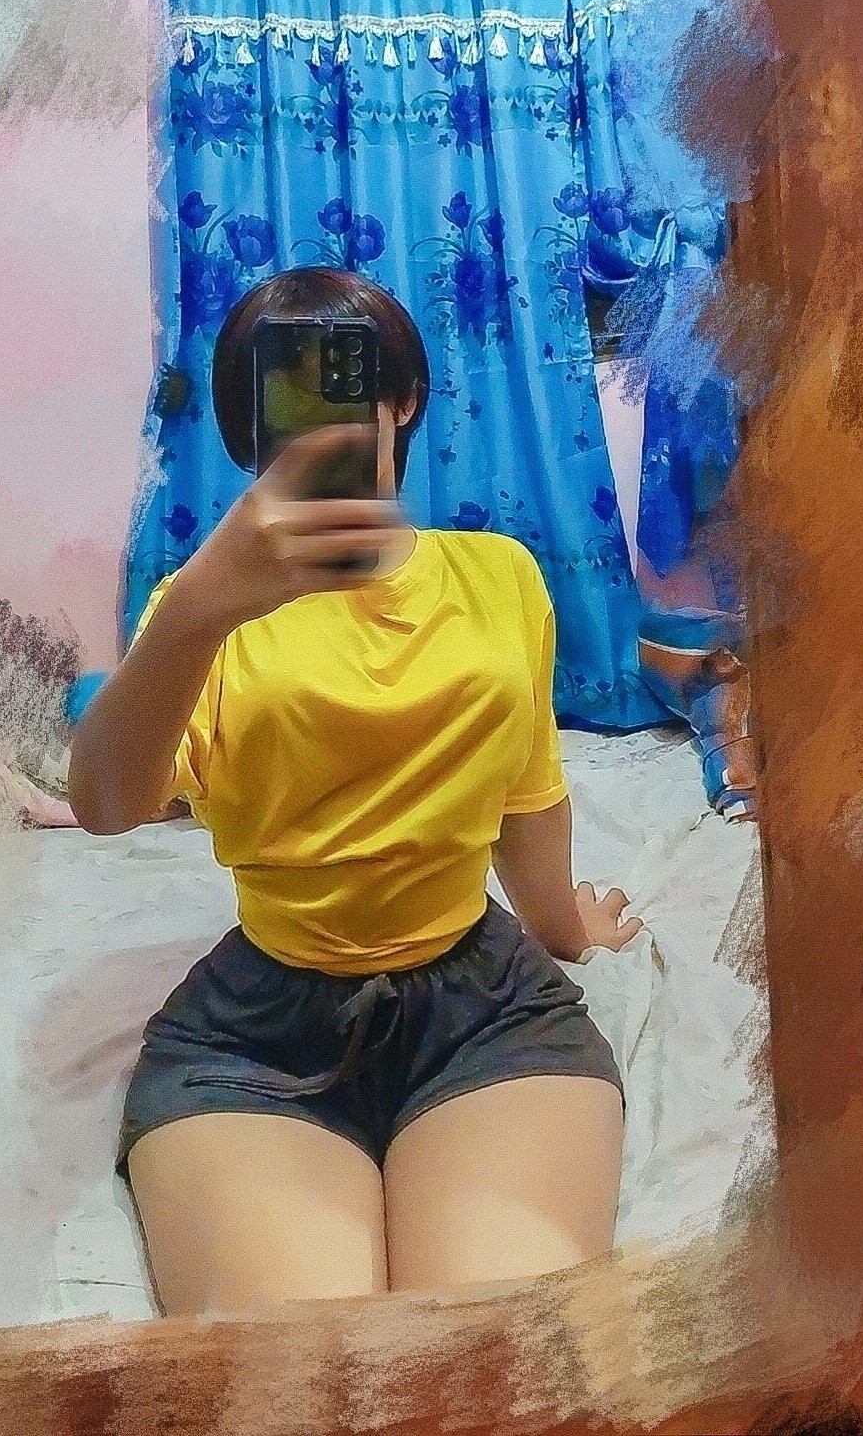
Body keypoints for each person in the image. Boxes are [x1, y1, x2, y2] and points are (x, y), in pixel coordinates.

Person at [69, 268, 643, 1312]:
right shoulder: (199, 609)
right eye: (278, 391)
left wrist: (565, 926)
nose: (315, 418)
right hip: (255, 1037)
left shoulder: (500, 576)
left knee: (485, 1363)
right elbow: (106, 807)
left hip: (486, 1014)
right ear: (246, 424)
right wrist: (196, 611)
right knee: (305, 1376)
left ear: (402, 397)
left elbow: (526, 796)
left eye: (341, 380)